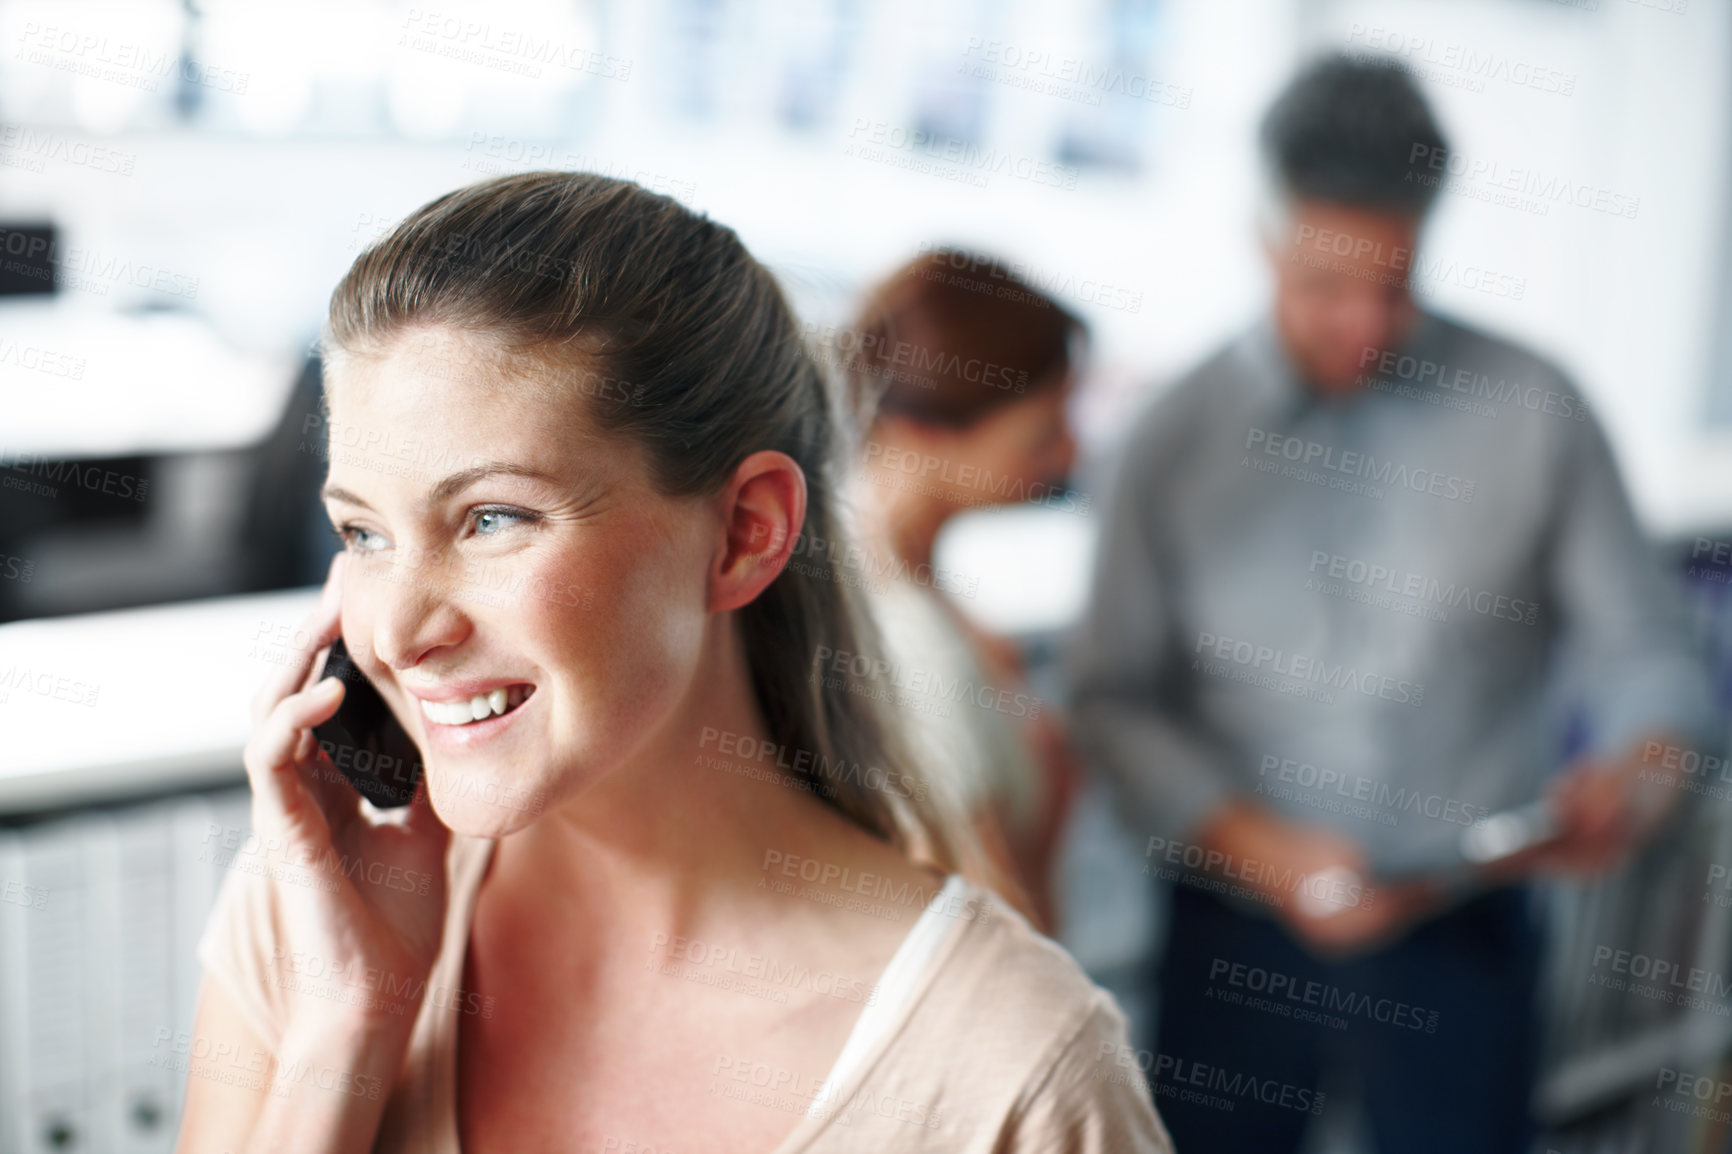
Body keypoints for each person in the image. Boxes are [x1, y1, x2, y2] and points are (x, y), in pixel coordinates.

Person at [174, 172, 1172, 1153]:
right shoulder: (315, 921)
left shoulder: (1013, 1075)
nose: (392, 632)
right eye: (363, 533)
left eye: (492, 517)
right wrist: (345, 1032)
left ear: (743, 532)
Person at [1068, 55, 1717, 1153]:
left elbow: (1648, 649)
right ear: (1264, 237)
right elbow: (1110, 696)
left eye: (1397, 281)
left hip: (1462, 933)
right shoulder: (1168, 439)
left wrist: (1641, 770)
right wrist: (1263, 850)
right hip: (1235, 932)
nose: (1366, 322)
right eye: (1327, 287)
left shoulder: (1535, 412)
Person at [839, 248, 1089, 932]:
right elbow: (1005, 952)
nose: (1070, 454)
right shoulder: (910, 643)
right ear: (924, 431)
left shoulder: (914, 584)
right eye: (1042, 434)